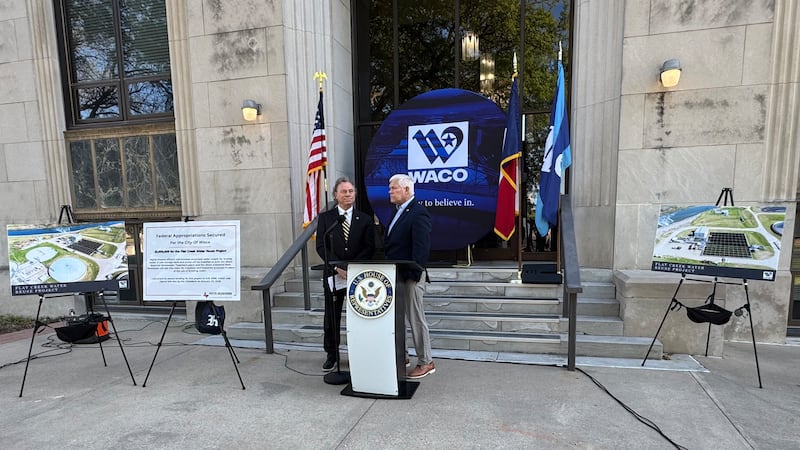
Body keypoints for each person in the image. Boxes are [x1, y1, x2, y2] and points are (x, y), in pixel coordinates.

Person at [315, 176, 375, 371]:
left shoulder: (365, 219)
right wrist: (336, 267)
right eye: (344, 191)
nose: (348, 194)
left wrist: (352, 268)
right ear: (335, 195)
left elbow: (370, 247)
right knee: (331, 317)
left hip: (358, 277)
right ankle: (332, 354)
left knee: (359, 316)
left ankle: (360, 354)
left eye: (351, 191)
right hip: (334, 275)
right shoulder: (326, 218)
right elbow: (321, 245)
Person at [383, 173, 434, 379]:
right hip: (397, 275)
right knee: (398, 320)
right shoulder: (398, 212)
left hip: (411, 276)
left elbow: (421, 249)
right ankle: (401, 355)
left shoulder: (418, 213)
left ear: (406, 190)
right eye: (390, 188)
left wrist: (413, 274)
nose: (390, 191)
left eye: (393, 188)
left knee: (416, 319)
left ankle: (426, 361)